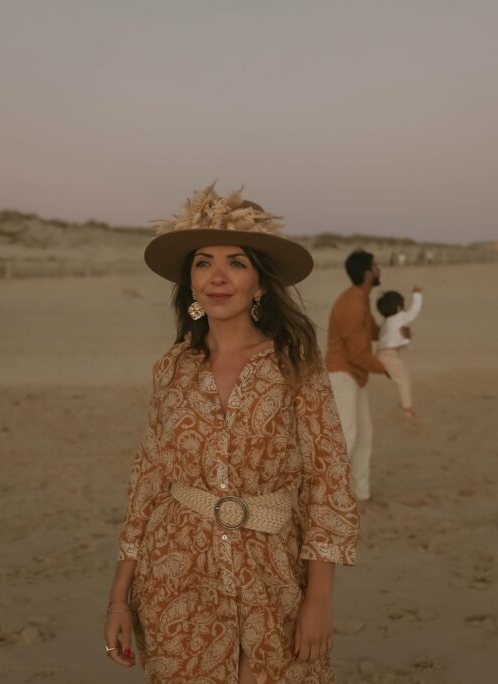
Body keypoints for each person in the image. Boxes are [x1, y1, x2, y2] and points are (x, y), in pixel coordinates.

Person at [104, 183, 359, 683]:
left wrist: (320, 599)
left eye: (236, 263)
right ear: (191, 281)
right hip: (175, 573)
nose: (217, 278)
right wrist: (118, 598)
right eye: (203, 263)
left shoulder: (296, 366)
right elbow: (147, 483)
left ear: (260, 282)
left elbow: (327, 482)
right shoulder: (172, 369)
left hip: (273, 575)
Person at [325, 250, 389, 502]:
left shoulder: (361, 299)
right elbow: (358, 353)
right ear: (367, 273)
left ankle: (361, 493)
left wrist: (395, 330)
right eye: (376, 266)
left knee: (364, 435)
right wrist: (386, 369)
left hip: (355, 376)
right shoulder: (352, 303)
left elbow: (373, 331)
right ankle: (328, 495)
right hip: (342, 375)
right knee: (347, 437)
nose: (379, 270)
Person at [375, 286, 423, 422]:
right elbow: (414, 312)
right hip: (389, 355)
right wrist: (417, 295)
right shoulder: (399, 318)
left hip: (383, 353)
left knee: (400, 378)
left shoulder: (387, 322)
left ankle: (404, 402)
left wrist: (408, 339)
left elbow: (403, 341)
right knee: (403, 379)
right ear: (398, 308)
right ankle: (407, 409)